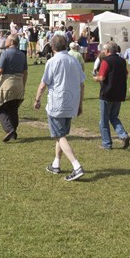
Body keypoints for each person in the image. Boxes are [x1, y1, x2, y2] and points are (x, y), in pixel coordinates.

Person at [34, 35, 86, 182]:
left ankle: (76, 166)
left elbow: (44, 83)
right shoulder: (74, 60)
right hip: (71, 102)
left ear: (52, 47)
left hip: (57, 103)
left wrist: (37, 99)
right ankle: (56, 163)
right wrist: (80, 104)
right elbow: (82, 84)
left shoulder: (52, 61)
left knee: (59, 135)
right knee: (61, 134)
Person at [0, 35, 28, 142]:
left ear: (11, 42)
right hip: (19, 83)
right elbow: (25, 72)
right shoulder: (22, 55)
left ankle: (9, 130)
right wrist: (23, 85)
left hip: (7, 82)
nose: (5, 40)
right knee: (13, 109)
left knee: (1, 107)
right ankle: (13, 131)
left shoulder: (5, 53)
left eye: (7, 39)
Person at [93, 41, 130, 149]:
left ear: (108, 50)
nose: (103, 51)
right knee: (114, 117)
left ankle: (107, 143)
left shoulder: (106, 61)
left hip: (107, 93)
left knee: (104, 120)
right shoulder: (122, 61)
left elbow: (102, 77)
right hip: (119, 93)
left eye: (104, 50)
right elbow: (126, 75)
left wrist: (95, 78)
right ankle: (123, 135)